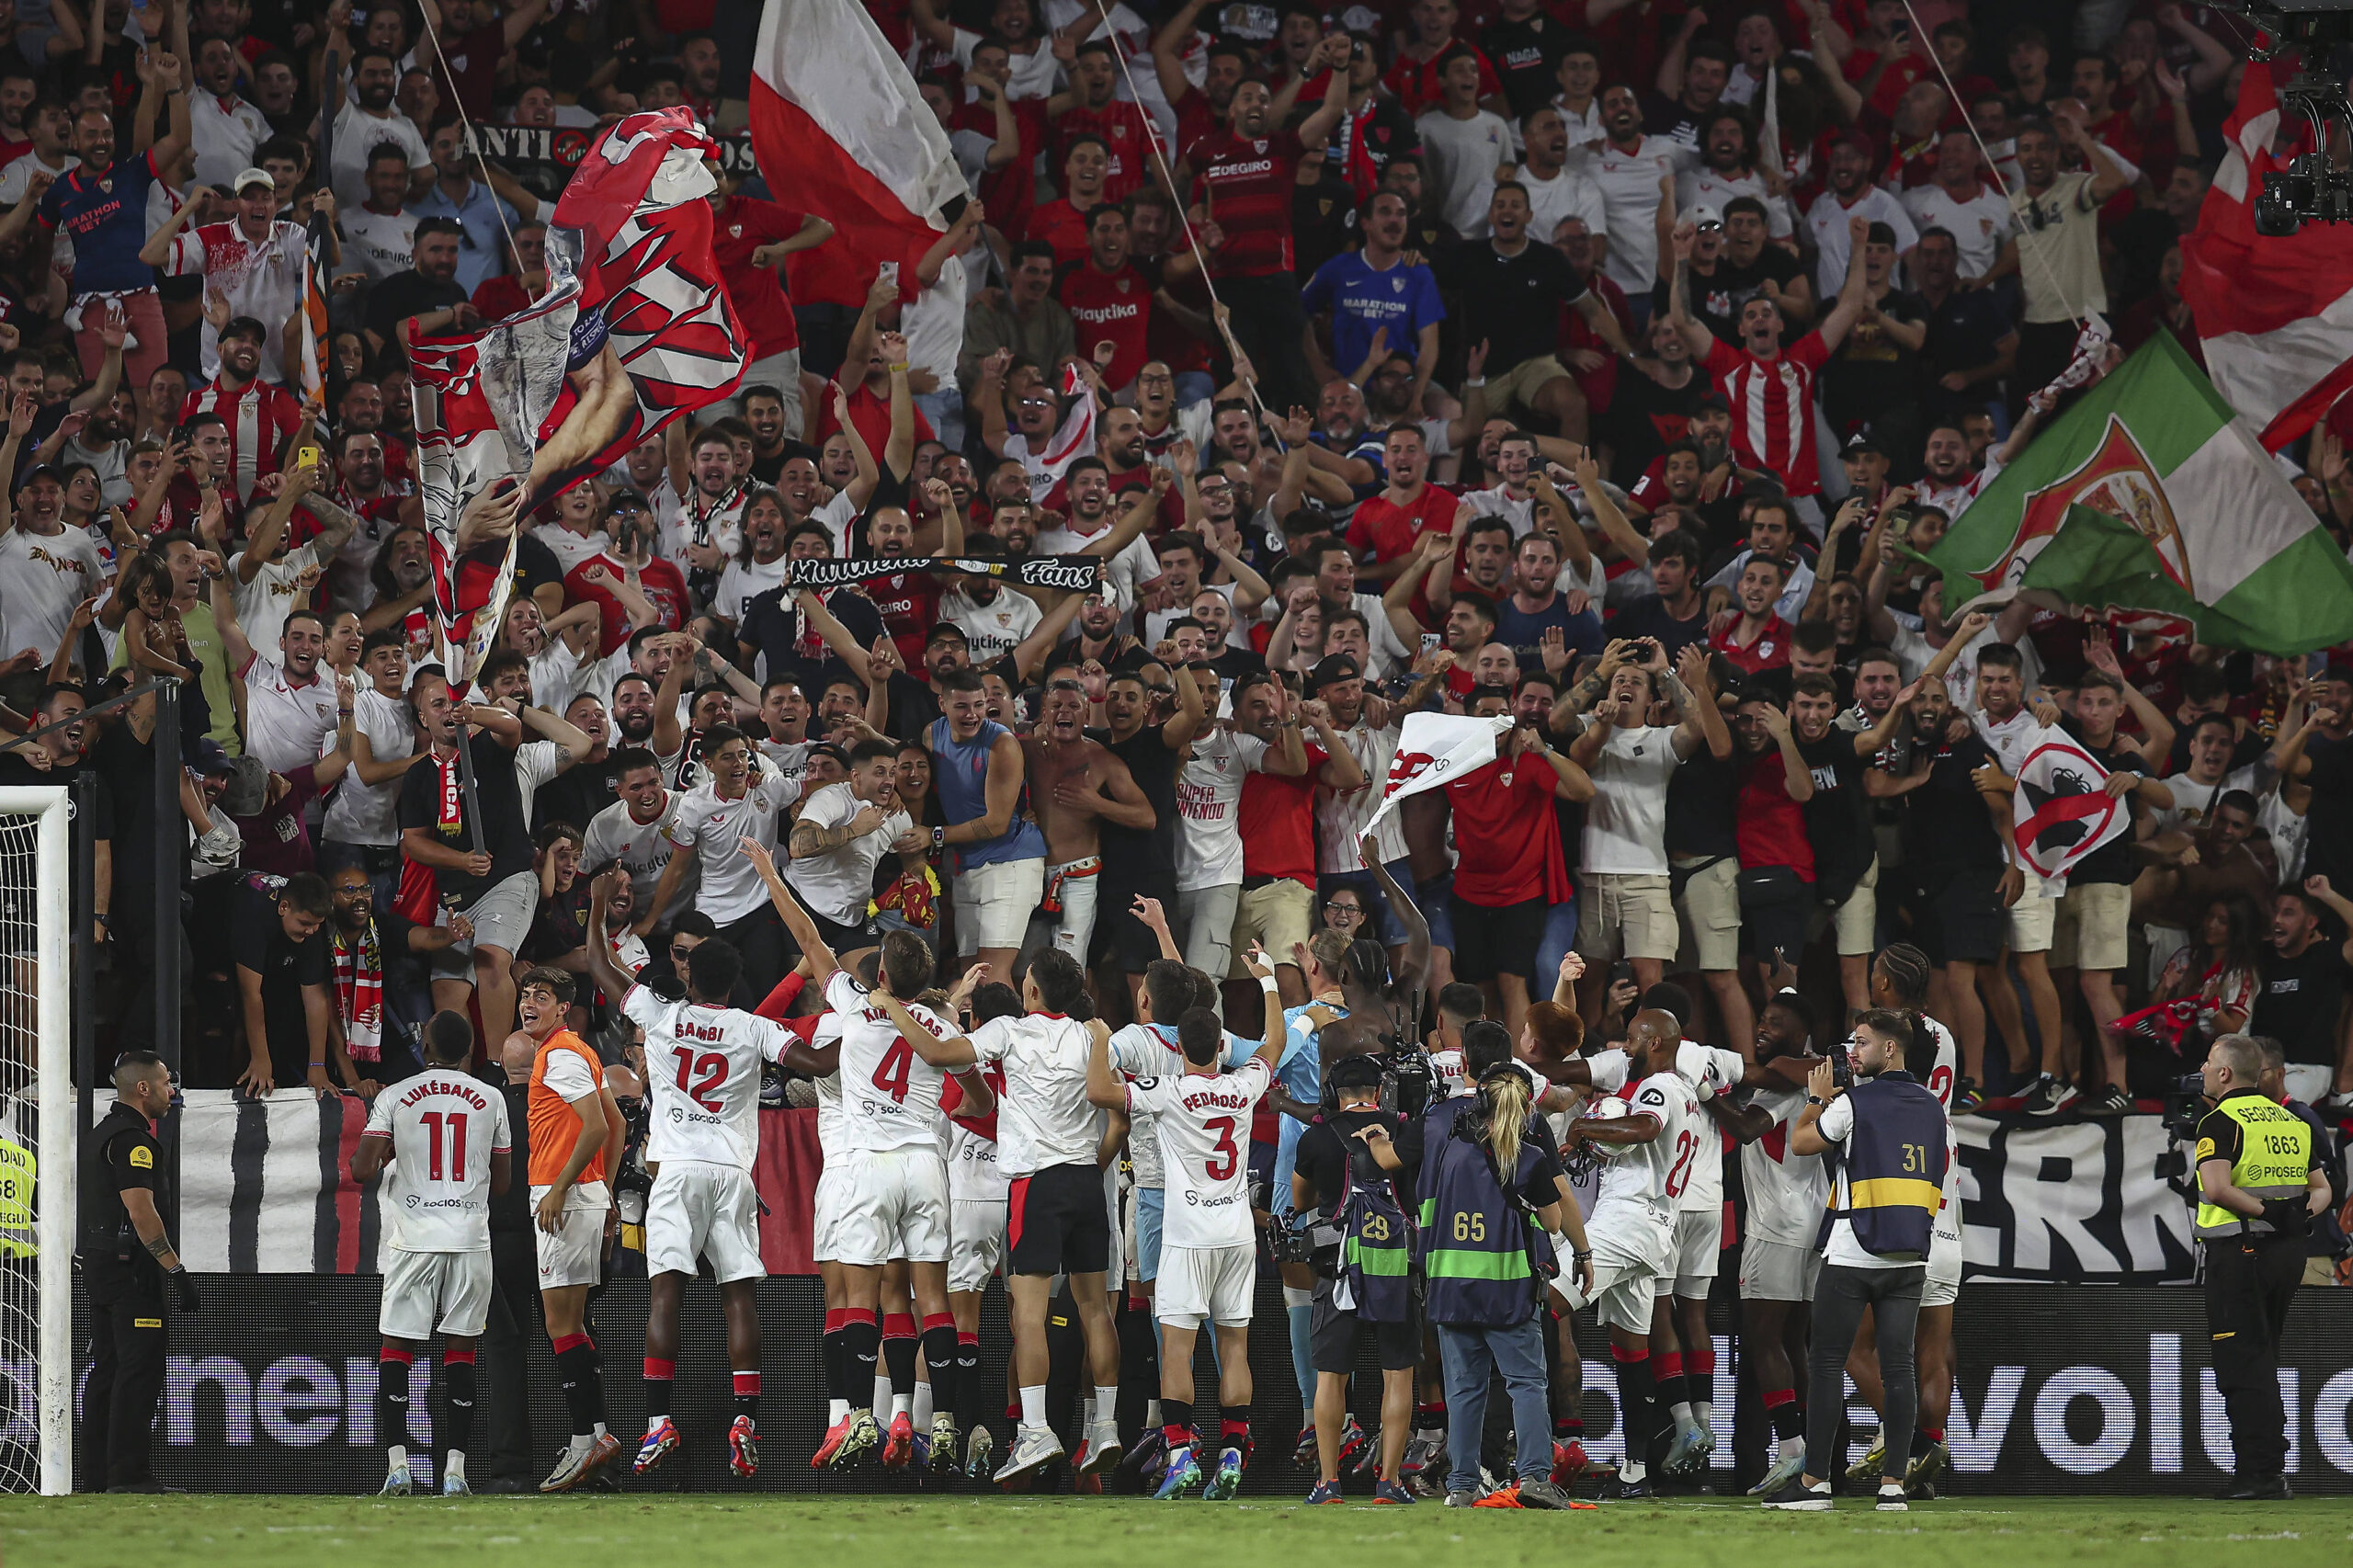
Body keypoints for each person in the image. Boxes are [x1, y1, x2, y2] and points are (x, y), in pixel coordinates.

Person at [863, 947, 1121, 1485]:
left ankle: (1035, 1431)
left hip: (1037, 1186)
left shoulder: (1010, 1032)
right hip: (1086, 1183)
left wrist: (892, 1007)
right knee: (1095, 1311)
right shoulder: (1091, 1036)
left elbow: (937, 1054)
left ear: (1032, 993)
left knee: (1027, 1315)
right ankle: (1106, 1427)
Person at [578, 888, 790, 1481]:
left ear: (690, 976)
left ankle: (657, 1423)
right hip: (730, 1173)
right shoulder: (753, 1029)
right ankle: (745, 1419)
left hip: (673, 1172)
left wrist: (597, 909)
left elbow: (601, 965)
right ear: (734, 984)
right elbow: (819, 1064)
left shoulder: (664, 1016)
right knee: (739, 1297)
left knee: (666, 1293)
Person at [1087, 948, 1286, 1500]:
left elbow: (1100, 1091)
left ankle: (1180, 1458)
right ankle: (1230, 1455)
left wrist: (1103, 1037)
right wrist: (1269, 981)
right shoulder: (1243, 1087)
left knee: (1178, 1351)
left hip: (1186, 1235)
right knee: (1235, 1350)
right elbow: (1274, 1045)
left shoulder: (1169, 1092)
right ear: (1219, 1046)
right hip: (1237, 1234)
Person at [1766, 1010, 1948, 1512]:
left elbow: (1801, 1143)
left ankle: (1815, 1484)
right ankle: (1893, 1487)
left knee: (1825, 1363)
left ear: (1891, 1049)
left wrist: (1816, 1099)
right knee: (1900, 1369)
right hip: (1909, 1254)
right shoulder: (1933, 1107)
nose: (1853, 1052)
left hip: (1852, 1251)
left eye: (1862, 1043)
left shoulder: (1854, 1102)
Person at [1420, 1020, 1586, 1509]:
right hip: (1507, 1291)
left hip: (1451, 1287)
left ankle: (1461, 1488)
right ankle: (1535, 1478)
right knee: (1527, 1383)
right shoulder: (1531, 1157)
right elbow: (1554, 1222)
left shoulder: (1450, 1150)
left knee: (1464, 1392)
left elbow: (1428, 1207)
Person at [351, 1009, 513, 1496]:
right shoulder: (492, 1098)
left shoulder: (394, 1096)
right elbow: (502, 1185)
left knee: (397, 1349)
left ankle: (398, 1467)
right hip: (469, 1238)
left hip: (413, 1237)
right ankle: (455, 1473)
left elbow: (361, 1170)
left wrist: (394, 1151)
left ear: (425, 1048)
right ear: (468, 1051)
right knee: (461, 1352)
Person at [2193, 1032, 2329, 1500]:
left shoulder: (2220, 1121)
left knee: (2242, 1363)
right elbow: (2323, 1188)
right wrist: (2297, 1214)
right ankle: (2269, 1465)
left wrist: (2266, 1213)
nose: (2205, 1070)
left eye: (2210, 1063)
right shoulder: (2291, 1122)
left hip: (2241, 1252)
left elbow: (2215, 1189)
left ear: (2226, 1073)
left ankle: (2260, 1473)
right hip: (2288, 1254)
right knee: (2264, 1356)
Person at [1291, 1051, 1424, 1505]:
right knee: (1398, 1377)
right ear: (1378, 1092)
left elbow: (1300, 1198)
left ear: (1334, 1094)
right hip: (1395, 1269)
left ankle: (1329, 1482)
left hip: (1338, 1270)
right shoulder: (1405, 1130)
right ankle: (1389, 1482)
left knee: (1331, 1377)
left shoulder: (1316, 1138)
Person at [514, 965, 624, 1492]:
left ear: (563, 1008)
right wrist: (601, 1190)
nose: (529, 1002)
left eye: (542, 996)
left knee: (562, 1325)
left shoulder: (558, 1054)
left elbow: (601, 1126)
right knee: (573, 1324)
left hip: (565, 1199)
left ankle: (585, 1438)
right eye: (526, 994)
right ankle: (597, 1434)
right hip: (583, 1196)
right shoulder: (576, 1049)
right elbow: (616, 1125)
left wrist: (561, 1186)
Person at [79, 1051, 201, 1494]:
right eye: (167, 1082)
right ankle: (128, 1476)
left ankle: (96, 1476)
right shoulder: (133, 1141)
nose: (174, 1091)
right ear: (143, 1088)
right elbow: (140, 1210)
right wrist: (175, 1270)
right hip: (131, 1269)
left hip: (100, 1262)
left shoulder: (99, 1135)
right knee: (139, 1368)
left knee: (107, 1369)